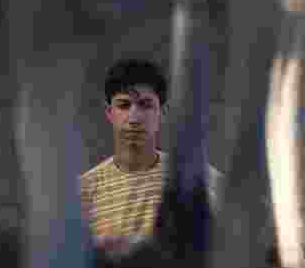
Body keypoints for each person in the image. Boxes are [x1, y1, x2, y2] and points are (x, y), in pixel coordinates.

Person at [79, 58, 220, 254]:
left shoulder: (197, 178)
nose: (134, 117)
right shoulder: (85, 192)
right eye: (124, 105)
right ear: (110, 113)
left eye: (145, 105)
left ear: (161, 112)